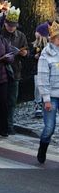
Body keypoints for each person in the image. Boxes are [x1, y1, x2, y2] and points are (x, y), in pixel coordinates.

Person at [0, 7, 28, 135]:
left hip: (15, 71)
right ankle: (0, 124)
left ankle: (9, 125)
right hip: (1, 71)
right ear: (5, 23)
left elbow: (26, 51)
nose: (11, 28)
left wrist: (23, 53)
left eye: (14, 26)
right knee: (1, 99)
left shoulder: (20, 36)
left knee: (12, 100)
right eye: (9, 25)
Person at [35, 21, 59, 163]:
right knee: (49, 127)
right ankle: (43, 147)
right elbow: (43, 77)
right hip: (52, 96)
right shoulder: (46, 54)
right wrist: (46, 99)